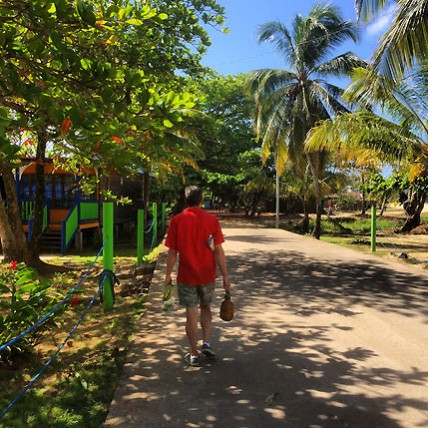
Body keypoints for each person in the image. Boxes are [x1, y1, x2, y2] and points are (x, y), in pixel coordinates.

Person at [164, 185, 231, 367]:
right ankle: (206, 342)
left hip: (187, 275)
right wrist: (226, 276)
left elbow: (172, 252)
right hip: (207, 274)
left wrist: (168, 275)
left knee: (191, 313)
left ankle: (193, 353)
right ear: (202, 200)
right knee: (206, 306)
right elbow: (218, 250)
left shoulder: (177, 221)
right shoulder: (211, 220)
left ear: (185, 200)